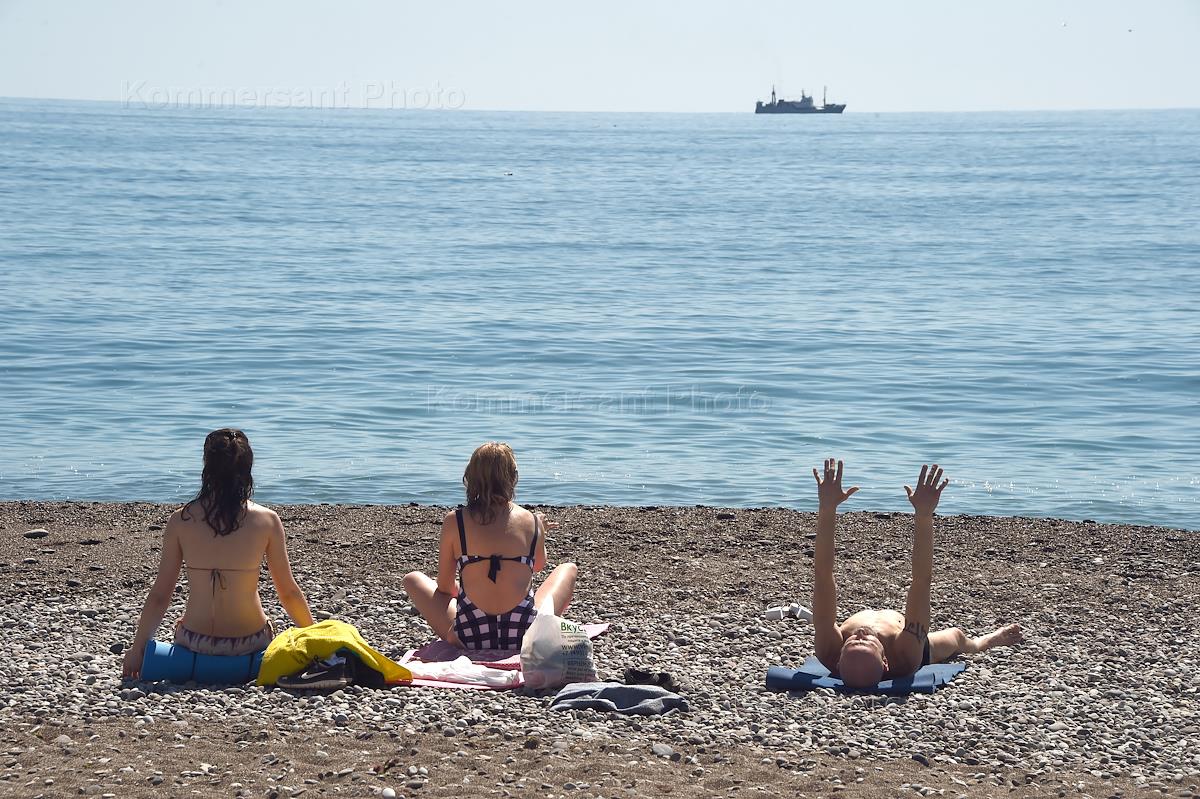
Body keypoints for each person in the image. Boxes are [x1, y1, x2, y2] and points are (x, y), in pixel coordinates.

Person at [811, 458, 1023, 688]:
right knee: (957, 636)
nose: (861, 635)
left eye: (852, 642)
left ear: (838, 661)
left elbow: (823, 574)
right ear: (885, 662)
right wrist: (924, 516)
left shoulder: (828, 650)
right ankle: (986, 641)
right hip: (912, 642)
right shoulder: (906, 655)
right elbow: (921, 582)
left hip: (873, 646)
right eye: (869, 642)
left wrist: (827, 508)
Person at [122, 429, 314, 678]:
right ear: (248, 470)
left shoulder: (181, 521)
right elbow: (287, 592)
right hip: (251, 646)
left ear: (206, 467)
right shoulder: (267, 521)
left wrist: (137, 650)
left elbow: (160, 595)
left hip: (193, 644)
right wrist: (314, 641)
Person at [403, 442, 578, 651]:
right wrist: (540, 531)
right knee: (568, 569)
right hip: (524, 636)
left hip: (470, 636)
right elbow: (538, 564)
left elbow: (444, 587)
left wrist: (473, 586)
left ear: (470, 477)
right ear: (513, 477)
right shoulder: (531, 520)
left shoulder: (455, 521)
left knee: (412, 579)